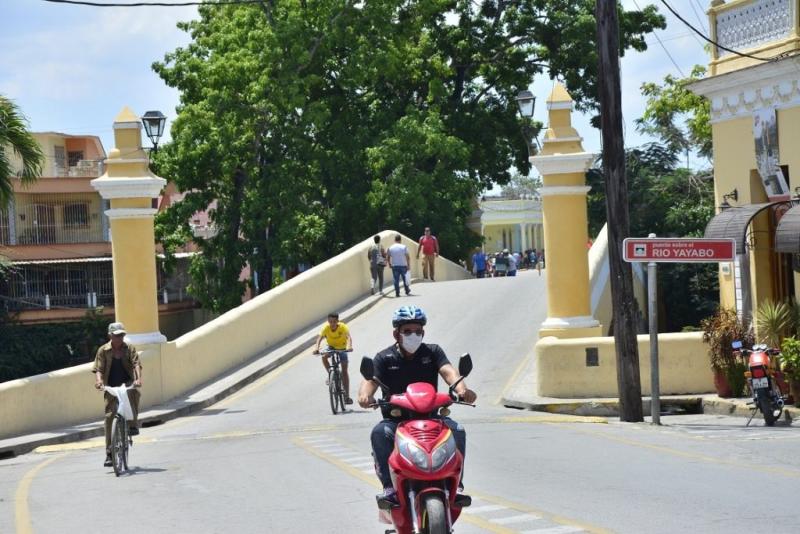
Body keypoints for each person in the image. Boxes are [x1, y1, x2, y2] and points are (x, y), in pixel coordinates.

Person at [358, 306, 477, 506]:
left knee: (457, 429)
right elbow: (370, 380)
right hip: (397, 420)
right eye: (407, 331)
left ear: (423, 333)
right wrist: (364, 396)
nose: (413, 335)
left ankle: (457, 485)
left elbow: (449, 372)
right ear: (396, 333)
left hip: (431, 417)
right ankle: (389, 488)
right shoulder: (384, 357)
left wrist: (462, 389)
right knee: (379, 433)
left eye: (418, 331)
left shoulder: (433, 352)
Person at [92, 322, 142, 467]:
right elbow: (99, 369)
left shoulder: (129, 348)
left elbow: (136, 364)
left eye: (122, 335)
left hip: (126, 383)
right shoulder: (103, 350)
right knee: (109, 417)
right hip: (110, 386)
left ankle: (132, 425)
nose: (120, 338)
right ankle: (109, 453)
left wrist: (138, 379)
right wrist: (99, 382)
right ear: (110, 336)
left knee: (134, 394)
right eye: (117, 335)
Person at [313, 312, 354, 404]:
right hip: (331, 347)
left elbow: (348, 338)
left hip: (343, 348)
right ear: (328, 321)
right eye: (330, 322)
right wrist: (316, 348)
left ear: (337, 321)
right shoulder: (326, 328)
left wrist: (349, 346)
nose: (332, 324)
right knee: (324, 357)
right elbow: (319, 338)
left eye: (334, 322)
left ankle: (347, 396)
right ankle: (330, 374)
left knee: (344, 371)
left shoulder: (343, 327)